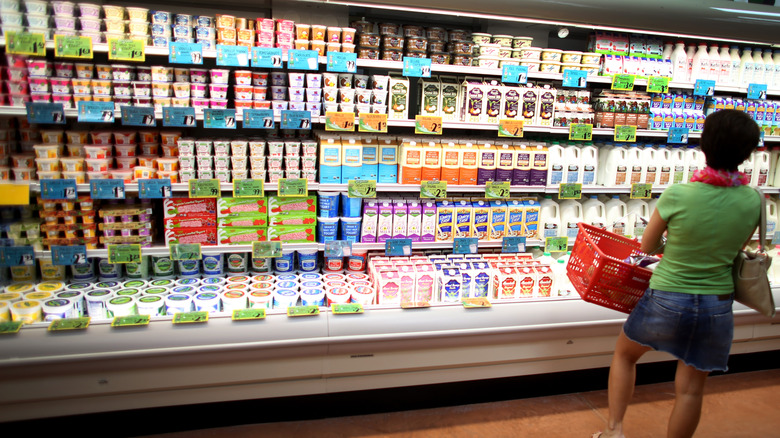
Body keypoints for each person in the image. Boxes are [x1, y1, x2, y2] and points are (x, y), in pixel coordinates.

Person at [595, 109, 762, 438]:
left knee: (626, 355)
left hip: (667, 296)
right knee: (690, 389)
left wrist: (674, 243)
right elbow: (737, 247)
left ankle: (615, 431)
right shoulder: (755, 199)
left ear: (704, 145)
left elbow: (647, 245)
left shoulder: (678, 194)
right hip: (716, 304)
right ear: (748, 152)